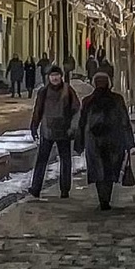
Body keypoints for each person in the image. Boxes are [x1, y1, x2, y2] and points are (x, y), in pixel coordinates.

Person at [77, 72, 135, 211]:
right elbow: (124, 121)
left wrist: (79, 143)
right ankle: (106, 197)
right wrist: (128, 142)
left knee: (98, 169)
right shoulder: (117, 99)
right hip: (114, 140)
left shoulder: (88, 101)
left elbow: (82, 123)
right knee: (109, 169)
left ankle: (102, 198)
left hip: (94, 140)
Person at [29, 66, 81, 199]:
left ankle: (65, 189)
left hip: (64, 131)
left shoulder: (68, 90)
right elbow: (38, 110)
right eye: (52, 75)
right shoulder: (43, 92)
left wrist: (73, 127)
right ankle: (35, 188)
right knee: (41, 160)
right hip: (47, 131)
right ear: (48, 77)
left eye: (57, 75)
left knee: (65, 160)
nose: (55, 78)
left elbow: (76, 109)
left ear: (61, 76)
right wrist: (34, 126)